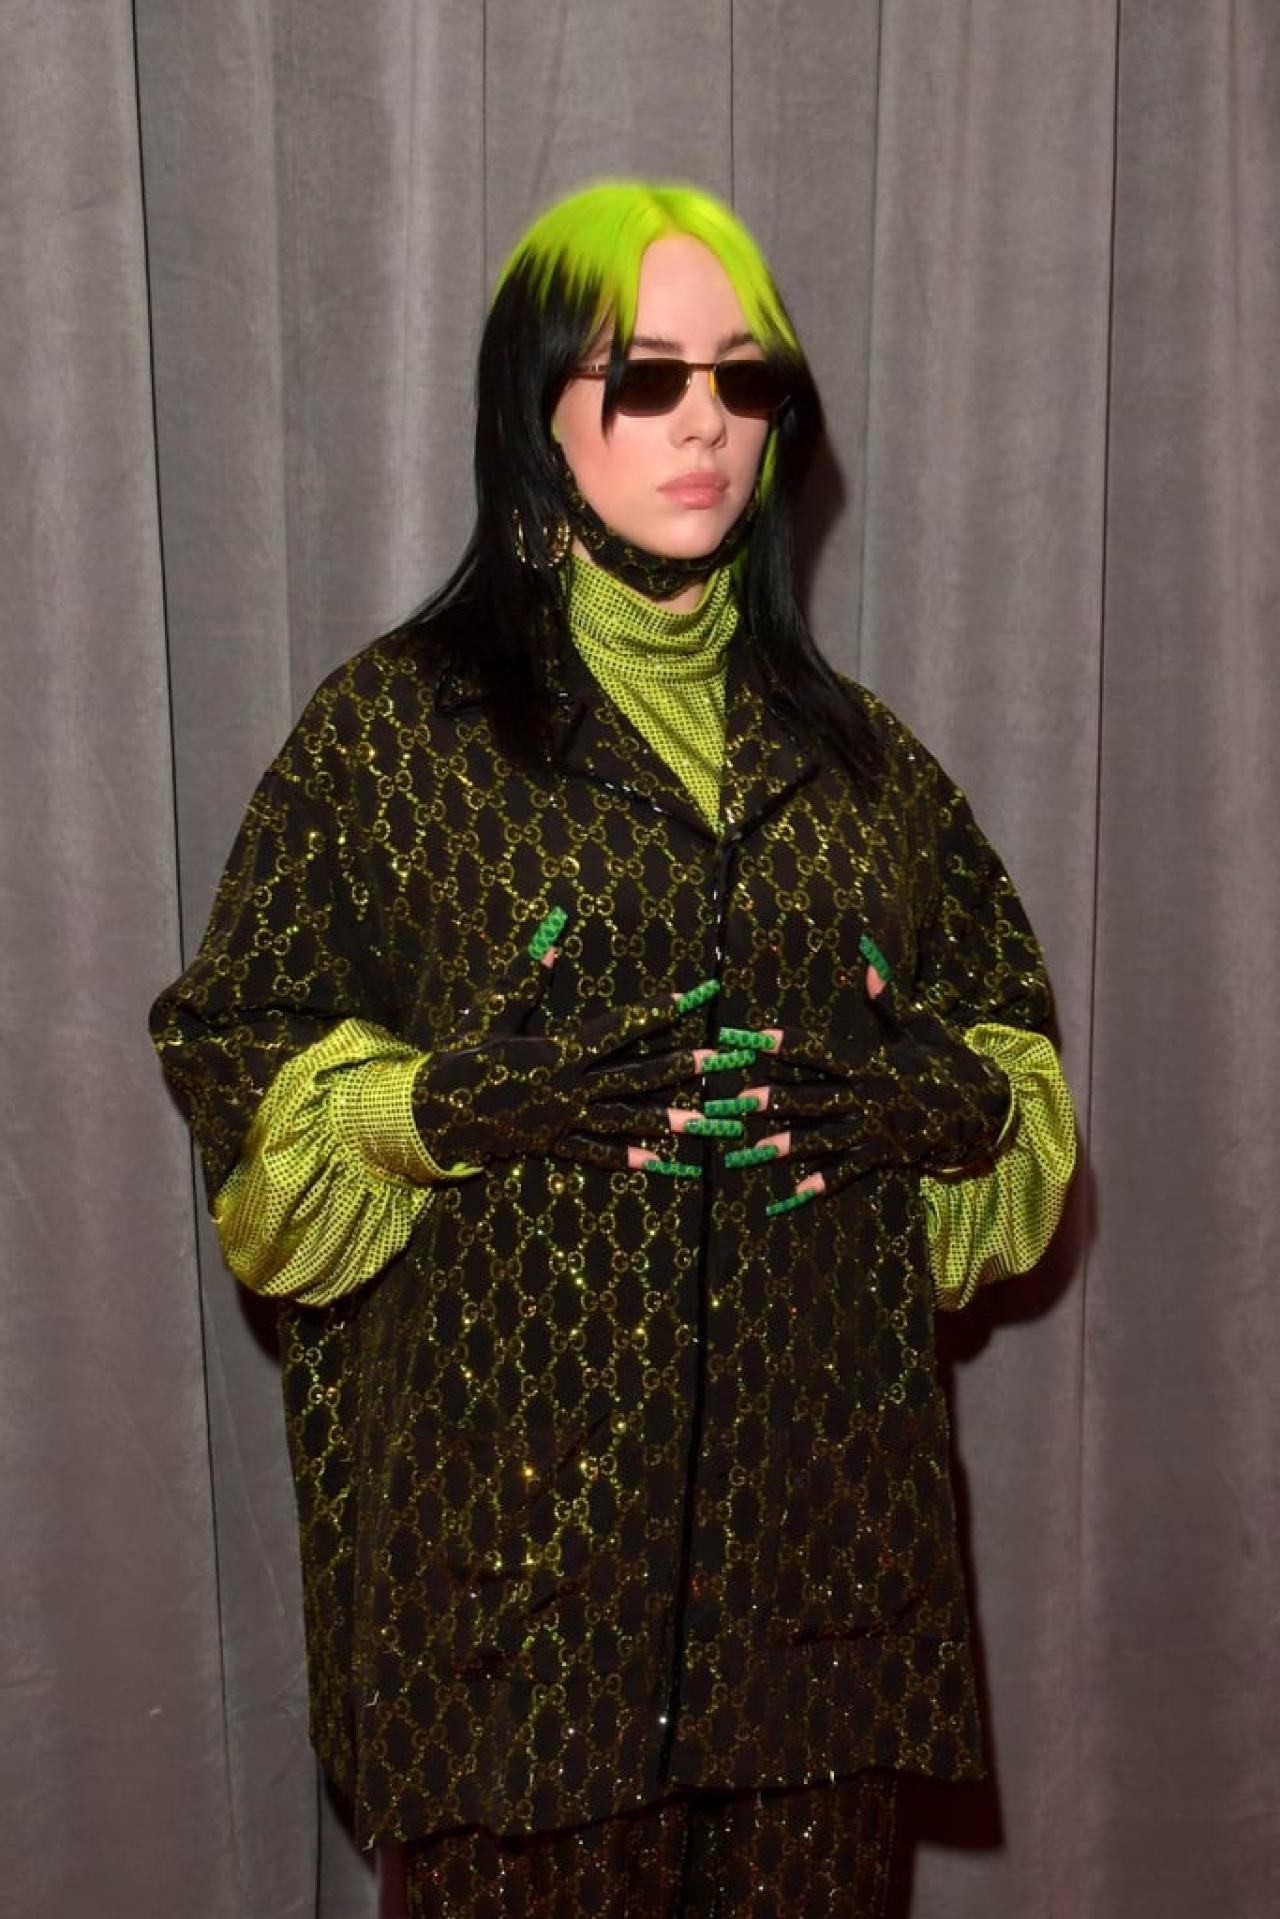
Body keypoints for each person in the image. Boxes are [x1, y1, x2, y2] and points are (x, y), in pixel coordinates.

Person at [151, 180, 1076, 1918]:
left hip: (817, 1599)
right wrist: (434, 1105)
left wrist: (936, 1108)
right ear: (536, 409)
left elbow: (1009, 1061)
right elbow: (240, 1050)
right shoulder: (397, 742)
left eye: (746, 378)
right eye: (644, 377)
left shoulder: (867, 773)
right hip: (514, 1609)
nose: (704, 421)